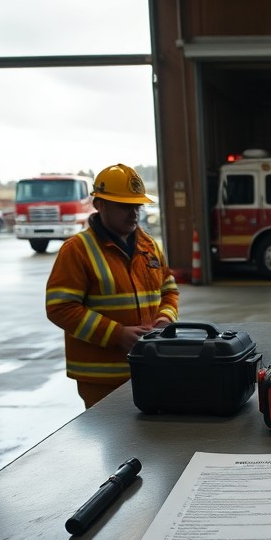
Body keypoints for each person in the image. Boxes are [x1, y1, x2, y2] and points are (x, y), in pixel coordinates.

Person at [45, 163, 179, 408]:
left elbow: (169, 290)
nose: (134, 213)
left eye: (137, 206)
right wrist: (117, 334)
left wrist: (164, 321)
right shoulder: (77, 250)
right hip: (102, 378)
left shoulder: (148, 246)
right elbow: (59, 307)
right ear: (99, 205)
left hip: (149, 367)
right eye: (124, 206)